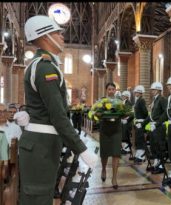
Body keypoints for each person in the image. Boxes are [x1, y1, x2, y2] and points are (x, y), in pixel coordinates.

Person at [17, 15, 97, 205]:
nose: (62, 37)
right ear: (45, 36)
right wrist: (82, 149)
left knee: (40, 196)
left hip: (41, 145)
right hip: (41, 147)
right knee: (37, 200)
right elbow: (58, 115)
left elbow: (40, 104)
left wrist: (30, 114)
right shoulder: (46, 68)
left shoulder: (43, 65)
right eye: (57, 33)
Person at [98, 82, 124, 189]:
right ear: (106, 90)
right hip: (105, 130)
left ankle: (114, 178)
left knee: (116, 154)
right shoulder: (101, 101)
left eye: (113, 89)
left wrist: (125, 114)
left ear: (115, 90)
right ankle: (103, 169)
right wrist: (98, 114)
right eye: (109, 89)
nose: (111, 91)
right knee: (104, 154)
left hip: (116, 130)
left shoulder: (119, 101)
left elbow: (123, 113)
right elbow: (97, 113)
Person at [141, 82, 167, 174]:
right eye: (152, 90)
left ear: (158, 90)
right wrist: (143, 124)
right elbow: (151, 115)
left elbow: (165, 113)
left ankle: (161, 166)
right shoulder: (155, 100)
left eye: (153, 89)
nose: (152, 91)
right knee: (153, 146)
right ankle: (156, 163)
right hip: (153, 126)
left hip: (159, 127)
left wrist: (157, 123)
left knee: (160, 146)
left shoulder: (162, 99)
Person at [133, 85, 149, 163]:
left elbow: (145, 112)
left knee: (141, 139)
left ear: (140, 93)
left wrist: (142, 121)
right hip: (138, 122)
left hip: (141, 122)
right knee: (138, 139)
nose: (135, 93)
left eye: (136, 92)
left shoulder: (141, 100)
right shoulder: (138, 100)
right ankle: (138, 154)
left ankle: (142, 156)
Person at [120, 91, 134, 155]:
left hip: (127, 122)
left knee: (125, 135)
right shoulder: (123, 102)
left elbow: (130, 113)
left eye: (123, 96)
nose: (122, 97)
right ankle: (124, 148)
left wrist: (126, 119)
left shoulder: (128, 103)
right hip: (123, 121)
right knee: (122, 135)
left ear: (126, 96)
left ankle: (127, 148)